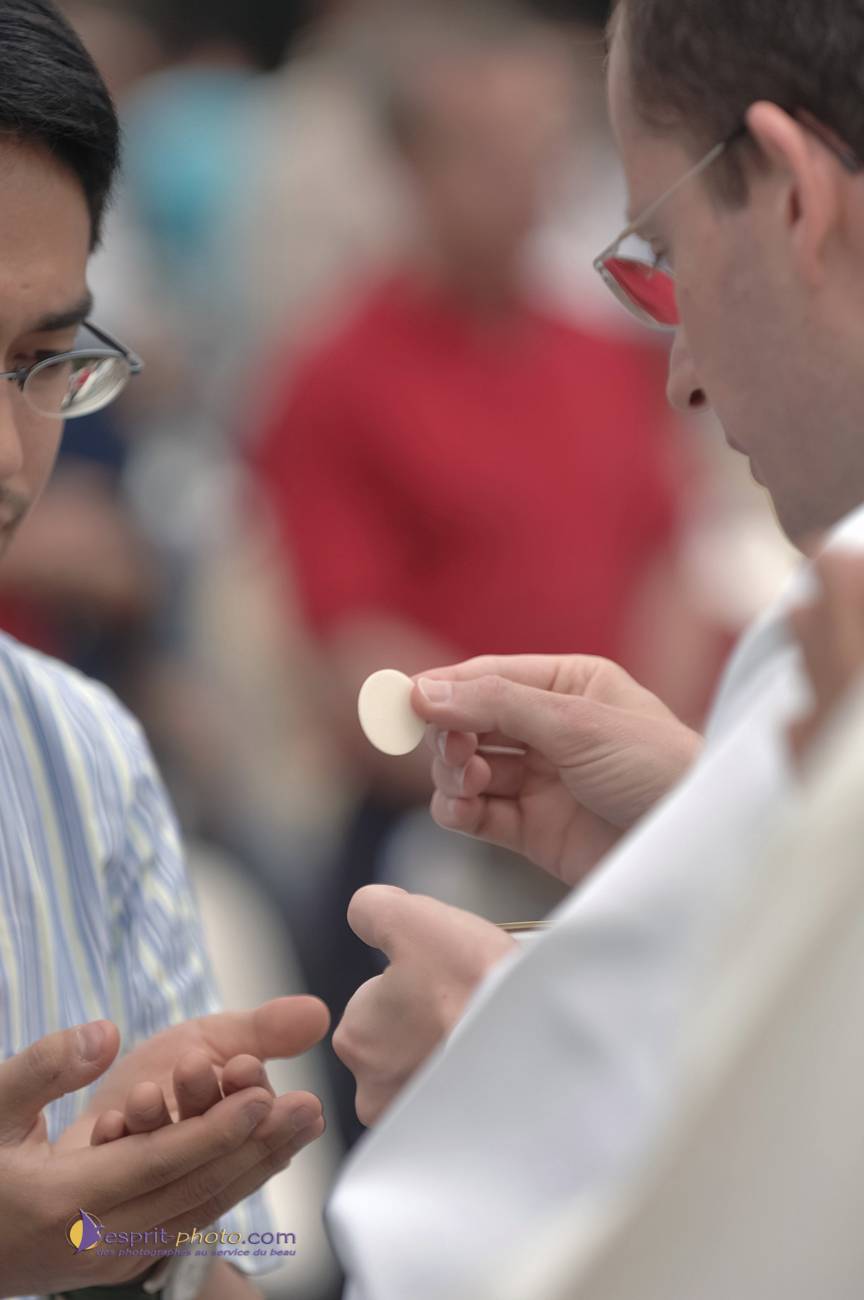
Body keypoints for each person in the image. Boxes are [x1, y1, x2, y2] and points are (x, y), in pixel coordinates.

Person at [320, 1, 864, 1297]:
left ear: (790, 196)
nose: (681, 371)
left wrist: (502, 1062)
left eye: (668, 247)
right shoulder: (340, 371)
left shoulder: (831, 634)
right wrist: (710, 814)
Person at [0, 5, 328, 1299]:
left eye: (41, 363)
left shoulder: (83, 756)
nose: (11, 454)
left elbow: (200, 1272)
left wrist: (135, 1233)